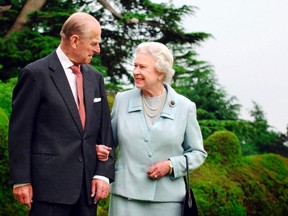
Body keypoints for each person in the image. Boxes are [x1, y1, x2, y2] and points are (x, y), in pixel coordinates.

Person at [8, 12, 115, 216]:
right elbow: (19, 133)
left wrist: (103, 174)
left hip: (87, 190)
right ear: (74, 40)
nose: (98, 49)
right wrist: (21, 180)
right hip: (48, 189)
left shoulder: (95, 78)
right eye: (94, 43)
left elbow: (105, 131)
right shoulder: (35, 74)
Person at [97, 41, 207, 216]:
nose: (135, 72)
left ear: (160, 73)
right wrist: (100, 149)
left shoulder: (185, 107)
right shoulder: (122, 100)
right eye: (135, 66)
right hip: (125, 198)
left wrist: (171, 165)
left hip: (168, 201)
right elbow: (108, 142)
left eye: (142, 67)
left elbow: (197, 153)